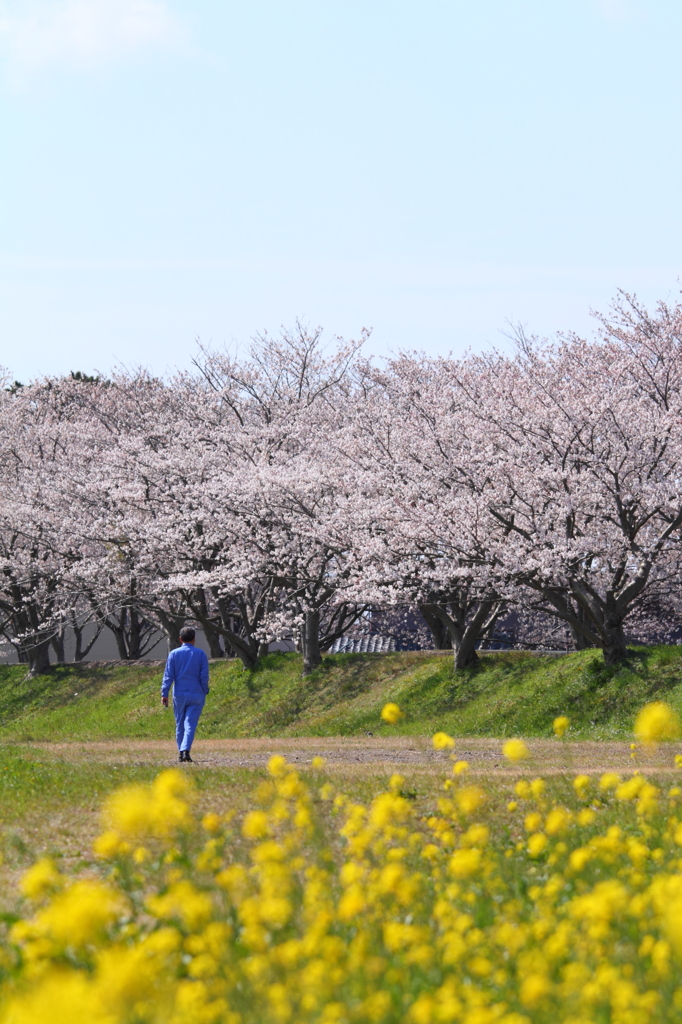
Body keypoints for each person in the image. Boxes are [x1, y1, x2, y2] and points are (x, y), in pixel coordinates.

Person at [161, 626, 209, 763]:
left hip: (179, 693)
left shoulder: (174, 654)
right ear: (194, 639)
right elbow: (204, 676)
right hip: (196, 693)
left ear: (180, 639)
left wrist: (164, 693)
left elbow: (168, 675)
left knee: (179, 724)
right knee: (190, 723)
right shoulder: (200, 654)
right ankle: (186, 750)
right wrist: (204, 689)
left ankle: (181, 752)